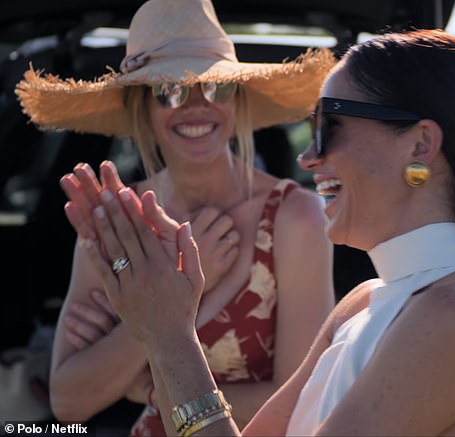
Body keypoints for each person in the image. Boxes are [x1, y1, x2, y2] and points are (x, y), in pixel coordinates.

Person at [49, 28, 455, 436]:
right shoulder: (367, 301)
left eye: (329, 126)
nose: (307, 156)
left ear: (420, 146)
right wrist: (161, 309)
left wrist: (166, 334)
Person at [15, 0, 336, 433]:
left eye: (216, 87)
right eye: (170, 90)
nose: (197, 106)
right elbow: (68, 402)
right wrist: (165, 305)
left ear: (236, 99)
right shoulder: (115, 218)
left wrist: (146, 382)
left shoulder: (295, 218)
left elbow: (302, 403)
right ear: (142, 108)